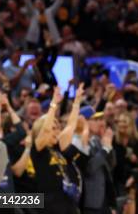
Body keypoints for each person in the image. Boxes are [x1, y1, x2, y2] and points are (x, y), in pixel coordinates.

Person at [31, 84, 85, 214]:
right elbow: (46, 129)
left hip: (68, 204)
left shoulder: (58, 148)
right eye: (53, 128)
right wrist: (54, 104)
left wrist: (77, 102)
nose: (57, 131)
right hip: (49, 206)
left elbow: (71, 125)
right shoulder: (38, 149)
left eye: (58, 128)